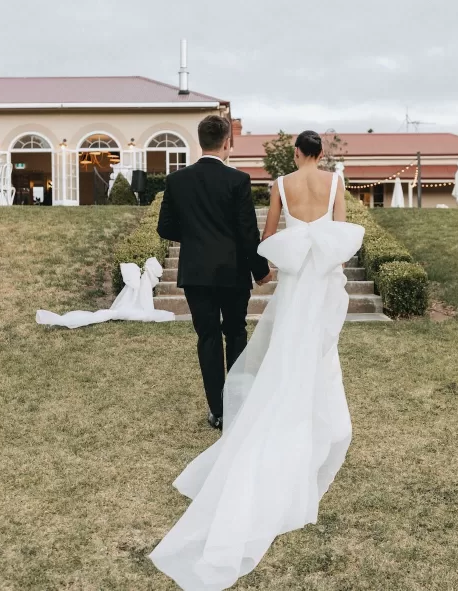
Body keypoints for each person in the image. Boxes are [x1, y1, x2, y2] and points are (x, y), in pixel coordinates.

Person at [151, 130, 364, 590]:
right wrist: (274, 268)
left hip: (251, 278)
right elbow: (340, 239)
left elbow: (264, 235)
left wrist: (267, 266)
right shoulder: (333, 181)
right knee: (290, 345)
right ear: (321, 153)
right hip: (311, 279)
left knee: (232, 341)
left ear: (294, 153)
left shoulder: (274, 184)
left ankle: (226, 407)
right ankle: (292, 408)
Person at [157, 115, 272, 430]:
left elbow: (164, 227)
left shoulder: (177, 180)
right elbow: (248, 233)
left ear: (200, 142)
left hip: (196, 273)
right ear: (227, 143)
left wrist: (196, 238)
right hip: (233, 272)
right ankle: (236, 407)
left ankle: (217, 411)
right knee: (235, 333)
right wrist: (260, 271)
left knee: (207, 337)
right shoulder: (238, 180)